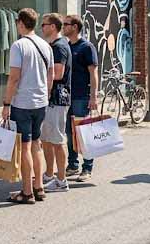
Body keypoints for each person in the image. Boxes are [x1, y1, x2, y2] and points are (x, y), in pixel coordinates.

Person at [1, 8, 54, 204]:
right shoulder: (45, 45)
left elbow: (14, 78)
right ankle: (39, 187)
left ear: (21, 23)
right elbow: (51, 76)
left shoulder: (18, 46)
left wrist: (6, 103)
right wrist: (45, 94)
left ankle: (27, 191)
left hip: (22, 102)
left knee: (24, 147)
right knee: (36, 145)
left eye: (17, 23)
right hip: (40, 102)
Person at [63, 14, 100, 182]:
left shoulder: (86, 47)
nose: (63, 27)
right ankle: (72, 165)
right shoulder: (66, 47)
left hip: (81, 96)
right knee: (70, 133)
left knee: (83, 132)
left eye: (66, 24)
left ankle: (87, 168)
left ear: (75, 27)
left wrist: (93, 96)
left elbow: (93, 74)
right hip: (67, 97)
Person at [38, 13, 71, 193]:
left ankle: (61, 179)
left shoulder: (59, 47)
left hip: (58, 98)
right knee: (47, 139)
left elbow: (58, 74)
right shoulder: (52, 46)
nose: (42, 28)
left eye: (44, 25)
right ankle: (49, 174)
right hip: (50, 98)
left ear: (52, 26)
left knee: (57, 140)